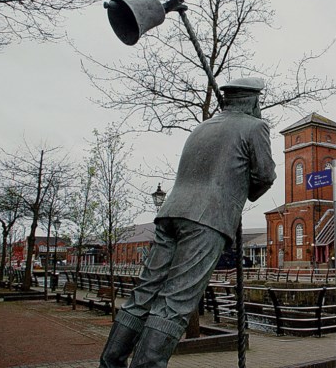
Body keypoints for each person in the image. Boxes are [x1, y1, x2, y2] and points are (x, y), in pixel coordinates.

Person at [99, 77, 277, 368]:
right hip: (207, 220)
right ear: (252, 101)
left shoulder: (201, 128)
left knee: (143, 295)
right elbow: (265, 176)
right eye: (259, 101)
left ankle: (110, 363)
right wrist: (244, 191)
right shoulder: (255, 126)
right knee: (175, 302)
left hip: (171, 213)